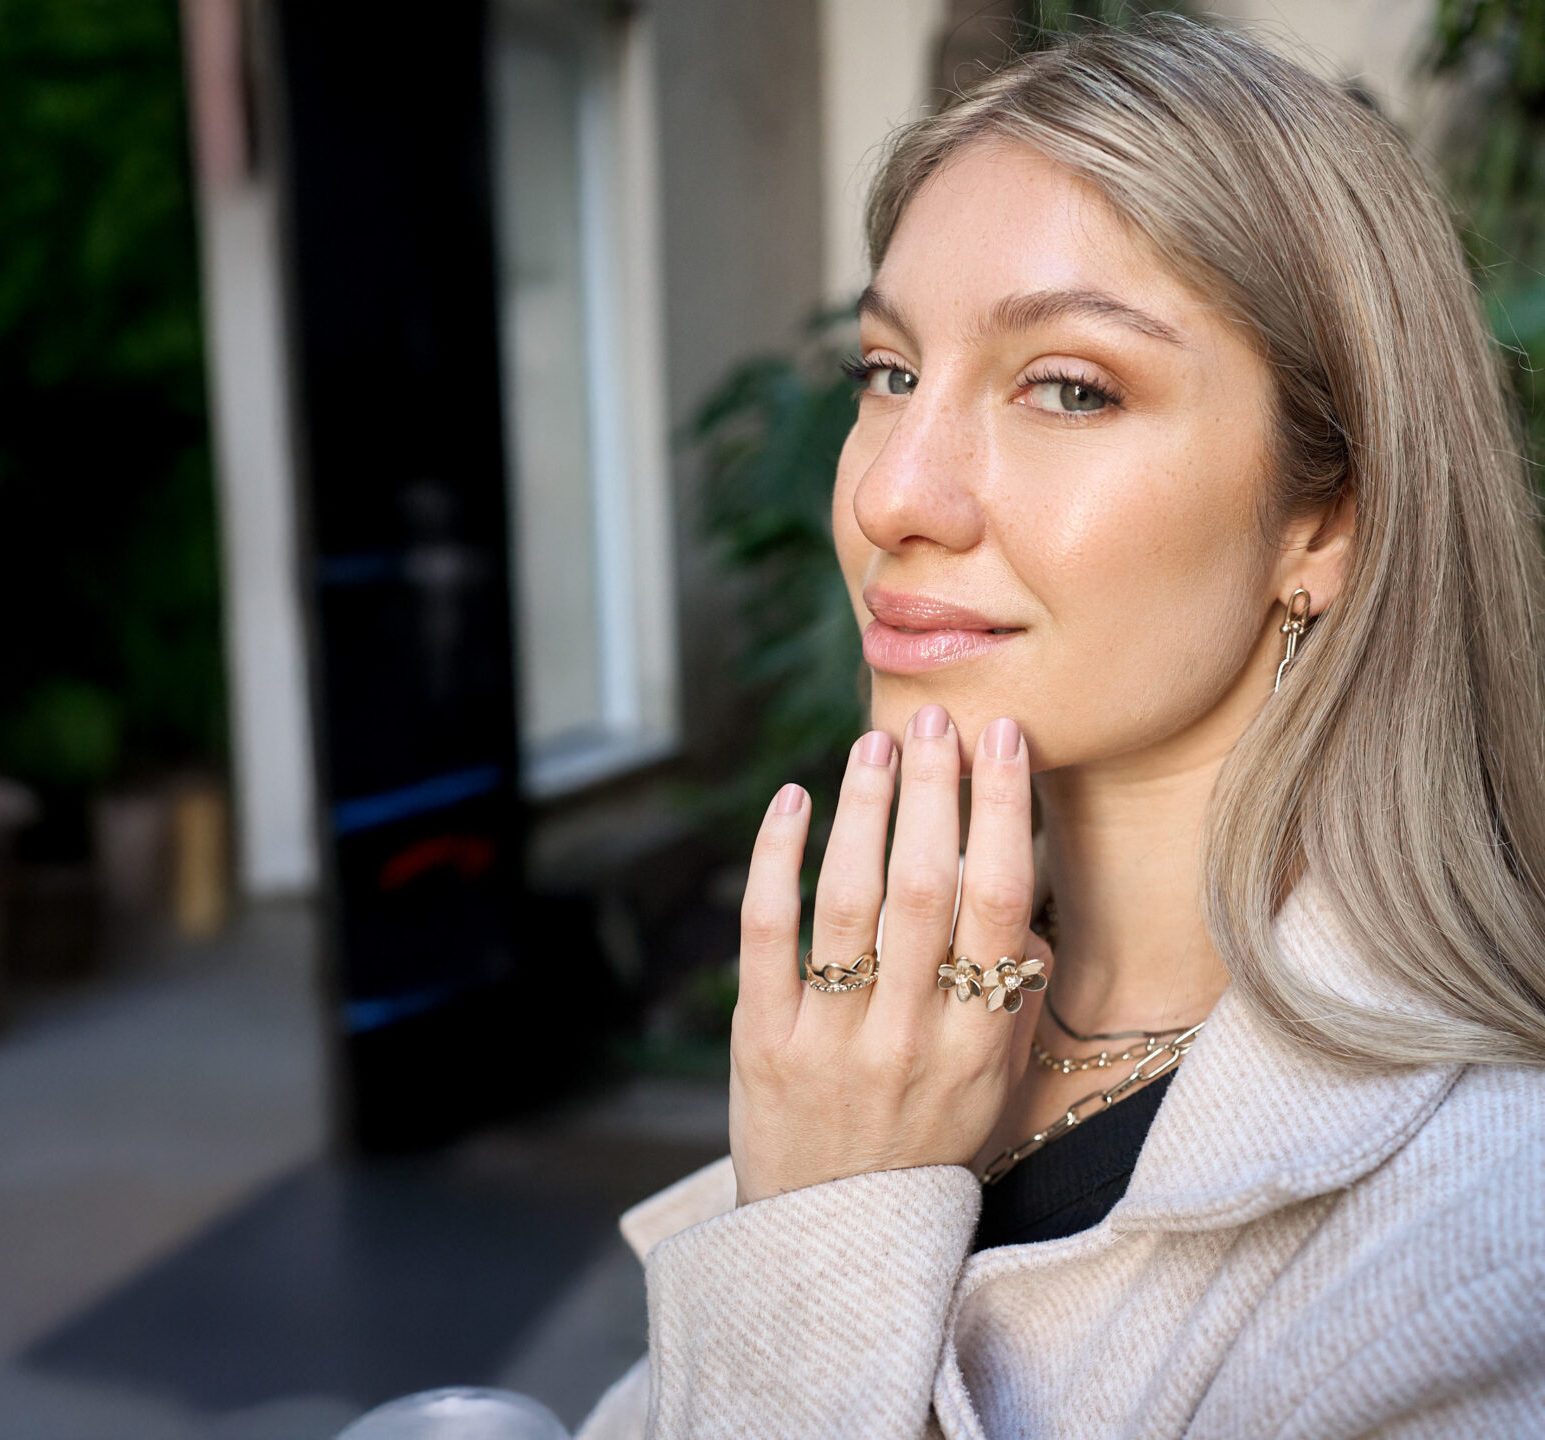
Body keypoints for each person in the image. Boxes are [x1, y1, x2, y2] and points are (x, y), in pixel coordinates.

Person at [579, 18, 1545, 1438]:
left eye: (1070, 387)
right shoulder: (875, 1045)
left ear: (1327, 517)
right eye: (888, 372)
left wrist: (824, 1216)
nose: (891, 495)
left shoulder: (1482, 1238)